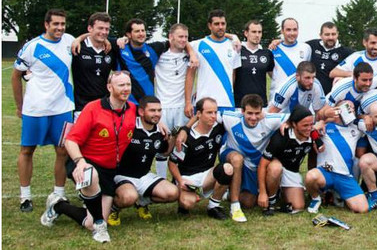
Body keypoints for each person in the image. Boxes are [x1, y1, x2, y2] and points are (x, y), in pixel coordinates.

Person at [41, 71, 137, 243]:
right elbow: (70, 141)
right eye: (121, 85)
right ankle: (101, 227)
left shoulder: (132, 109)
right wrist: (80, 162)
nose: (125, 89)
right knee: (90, 175)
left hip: (109, 170)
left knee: (89, 223)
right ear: (109, 87)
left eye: (128, 85)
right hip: (85, 163)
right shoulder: (93, 108)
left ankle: (58, 205)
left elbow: (149, 114)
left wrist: (158, 121)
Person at [13, 9, 75, 212]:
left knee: (63, 151)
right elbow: (16, 76)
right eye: (56, 24)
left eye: (63, 24)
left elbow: (90, 37)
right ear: (46, 24)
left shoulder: (69, 41)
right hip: (36, 109)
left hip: (63, 108)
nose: (60, 28)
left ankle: (58, 194)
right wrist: (20, 106)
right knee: (27, 150)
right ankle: (25, 197)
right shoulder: (32, 47)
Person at [106, 96, 179, 226]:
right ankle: (113, 209)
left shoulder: (160, 132)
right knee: (129, 196)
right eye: (152, 110)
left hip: (144, 176)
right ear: (141, 112)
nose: (156, 114)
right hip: (122, 175)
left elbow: (164, 152)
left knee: (173, 193)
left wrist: (173, 137)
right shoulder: (128, 126)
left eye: (159, 110)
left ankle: (142, 203)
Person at [219, 95, 289, 221]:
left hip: (254, 163)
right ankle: (235, 207)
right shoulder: (230, 117)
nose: (253, 117)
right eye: (249, 113)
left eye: (257, 113)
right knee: (237, 159)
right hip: (233, 156)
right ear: (242, 111)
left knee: (249, 202)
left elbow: (297, 116)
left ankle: (231, 192)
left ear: (262, 111)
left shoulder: (269, 120)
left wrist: (287, 123)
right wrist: (184, 130)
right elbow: (207, 114)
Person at [169, 97, 233, 220]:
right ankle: (183, 195)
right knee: (187, 203)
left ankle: (214, 206)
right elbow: (172, 164)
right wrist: (181, 181)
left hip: (207, 176)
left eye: (215, 112)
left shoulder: (219, 128)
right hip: (188, 178)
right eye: (209, 112)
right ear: (198, 114)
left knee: (228, 168)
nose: (213, 116)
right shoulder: (186, 137)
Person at [305, 102, 369, 214]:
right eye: (348, 108)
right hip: (326, 173)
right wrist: (319, 123)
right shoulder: (324, 126)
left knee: (362, 209)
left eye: (353, 108)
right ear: (337, 110)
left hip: (344, 176)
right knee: (311, 176)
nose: (351, 111)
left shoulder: (357, 128)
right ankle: (316, 198)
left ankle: (338, 195)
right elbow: (308, 129)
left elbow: (372, 124)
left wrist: (363, 117)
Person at [257, 105, 316, 214]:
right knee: (276, 168)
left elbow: (313, 158)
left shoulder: (313, 136)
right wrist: (262, 192)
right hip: (274, 168)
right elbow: (262, 165)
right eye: (305, 125)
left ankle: (281, 191)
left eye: (311, 124)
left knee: (298, 206)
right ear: (294, 124)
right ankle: (272, 200)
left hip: (291, 171)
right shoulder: (281, 137)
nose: (309, 128)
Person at [153, 23, 193, 178]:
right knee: (163, 147)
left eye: (186, 37)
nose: (183, 40)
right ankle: (160, 180)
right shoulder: (159, 54)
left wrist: (192, 52)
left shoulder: (189, 54)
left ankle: (178, 180)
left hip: (182, 107)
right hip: (163, 107)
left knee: (180, 145)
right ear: (170, 37)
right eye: (180, 36)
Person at [186, 10, 242, 114]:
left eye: (223, 24)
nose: (220, 27)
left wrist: (234, 37)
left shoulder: (234, 46)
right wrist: (188, 102)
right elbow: (190, 75)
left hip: (227, 103)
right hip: (203, 103)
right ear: (209, 26)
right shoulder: (198, 45)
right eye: (216, 24)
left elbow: (233, 74)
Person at [71, 12, 115, 119]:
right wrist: (80, 38)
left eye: (107, 29)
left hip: (104, 105)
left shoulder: (111, 48)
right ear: (90, 28)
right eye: (100, 28)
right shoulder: (77, 47)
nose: (104, 32)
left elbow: (126, 41)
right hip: (81, 106)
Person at [234, 20, 274, 105]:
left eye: (259, 32)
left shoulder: (267, 53)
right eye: (254, 32)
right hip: (240, 103)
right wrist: (233, 36)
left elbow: (274, 77)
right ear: (246, 33)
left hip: (261, 103)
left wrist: (278, 41)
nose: (257, 35)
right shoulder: (237, 51)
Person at [270, 18, 312, 98]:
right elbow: (270, 72)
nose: (292, 33)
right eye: (288, 30)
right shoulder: (273, 49)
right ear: (282, 31)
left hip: (300, 97)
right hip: (278, 97)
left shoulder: (306, 48)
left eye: (295, 30)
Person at [306, 22, 353, 93]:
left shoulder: (347, 52)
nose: (330, 37)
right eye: (327, 34)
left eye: (333, 34)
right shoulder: (311, 45)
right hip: (311, 94)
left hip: (333, 96)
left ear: (337, 34)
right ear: (320, 35)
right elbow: (295, 47)